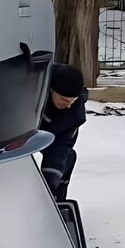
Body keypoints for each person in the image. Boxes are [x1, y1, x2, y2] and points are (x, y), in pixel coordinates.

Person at [40, 63, 88, 199]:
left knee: (66, 159)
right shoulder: (30, 92)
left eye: (72, 101)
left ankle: (55, 199)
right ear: (50, 89)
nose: (68, 106)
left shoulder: (74, 115)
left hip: (55, 135)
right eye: (64, 100)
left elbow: (60, 147)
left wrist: (50, 183)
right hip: (21, 132)